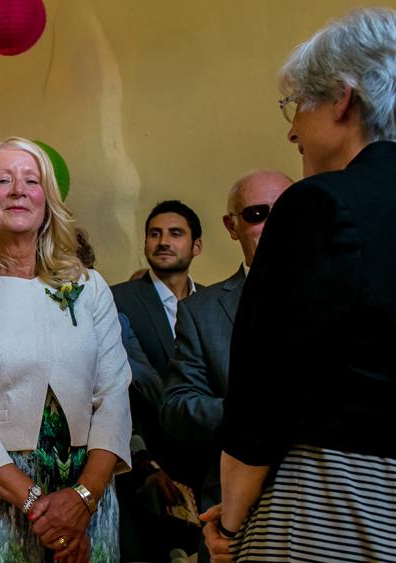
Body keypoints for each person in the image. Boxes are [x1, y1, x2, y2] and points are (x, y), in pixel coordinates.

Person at [205, 7, 396, 561]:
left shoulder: (320, 203)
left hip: (337, 500)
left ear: (342, 98)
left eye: (297, 106)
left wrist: (233, 522)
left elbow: (264, 390)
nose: (291, 129)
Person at [0, 137, 130, 562]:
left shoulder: (89, 287)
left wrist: (84, 498)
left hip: (88, 491)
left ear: (47, 201)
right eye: (3, 180)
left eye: (31, 181)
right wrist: (37, 504)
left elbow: (115, 395)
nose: (18, 189)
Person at [160, 170, 291, 561]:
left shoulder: (342, 293)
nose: (273, 224)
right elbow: (177, 406)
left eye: (285, 210)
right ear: (231, 226)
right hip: (231, 516)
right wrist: (255, 412)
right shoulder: (202, 311)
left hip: (325, 502)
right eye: (256, 214)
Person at [110, 200, 206, 561]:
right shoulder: (117, 298)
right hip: (141, 473)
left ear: (196, 246)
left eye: (175, 233)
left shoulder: (213, 303)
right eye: (155, 234)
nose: (163, 241)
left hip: (207, 470)